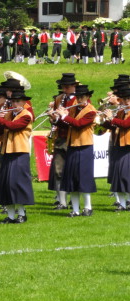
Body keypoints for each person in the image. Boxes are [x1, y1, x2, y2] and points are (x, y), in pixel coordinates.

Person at [0, 90, 35, 224]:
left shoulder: (26, 115)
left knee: (18, 183)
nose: (15, 104)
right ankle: (10, 216)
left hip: (20, 152)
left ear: (24, 102)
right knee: (6, 184)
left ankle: (21, 214)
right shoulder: (9, 114)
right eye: (13, 101)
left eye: (18, 101)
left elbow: (13, 126)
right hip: (7, 151)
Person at [54, 84, 97, 217]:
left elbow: (78, 124)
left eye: (82, 97)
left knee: (84, 177)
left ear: (88, 97)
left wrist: (64, 116)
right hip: (72, 145)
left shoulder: (91, 111)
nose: (79, 100)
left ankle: (88, 207)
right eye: (78, 97)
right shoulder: (74, 109)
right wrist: (56, 118)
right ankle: (75, 209)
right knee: (72, 177)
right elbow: (67, 124)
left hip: (85, 146)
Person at [47, 73, 78, 210]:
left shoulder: (78, 100)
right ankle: (62, 202)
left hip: (74, 138)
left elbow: (77, 121)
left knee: (73, 171)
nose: (64, 89)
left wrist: (63, 117)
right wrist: (53, 118)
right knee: (58, 170)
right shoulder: (59, 99)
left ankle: (74, 200)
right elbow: (55, 120)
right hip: (61, 138)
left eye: (67, 87)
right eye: (63, 87)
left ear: (73, 86)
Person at [102, 85, 130, 209]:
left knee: (125, 174)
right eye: (124, 99)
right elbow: (114, 126)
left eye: (128, 99)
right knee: (118, 175)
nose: (126, 102)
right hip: (119, 145)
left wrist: (111, 118)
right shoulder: (120, 111)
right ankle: (122, 204)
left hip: (128, 146)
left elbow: (125, 124)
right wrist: (104, 121)